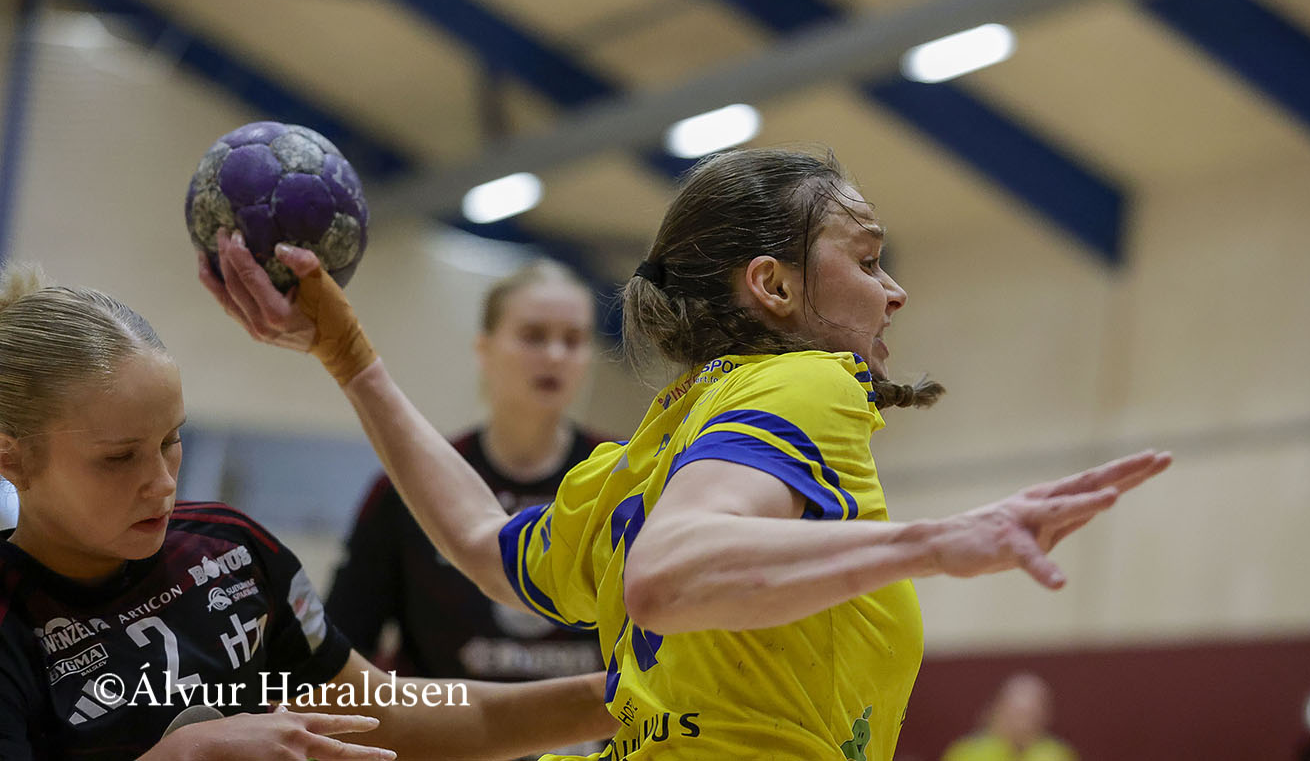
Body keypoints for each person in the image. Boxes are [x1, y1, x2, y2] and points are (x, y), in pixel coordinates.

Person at [202, 146, 1172, 761]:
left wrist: (349, 356)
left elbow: (483, 543)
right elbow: (667, 576)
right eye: (869, 258)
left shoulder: (652, 445)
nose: (895, 291)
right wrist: (937, 541)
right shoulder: (810, 382)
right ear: (773, 287)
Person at [0, 264, 616, 760]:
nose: (161, 483)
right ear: (13, 459)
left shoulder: (231, 552)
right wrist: (184, 753)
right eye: (118, 458)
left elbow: (393, 715)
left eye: (170, 440)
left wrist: (620, 695)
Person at [327, 260, 606, 685]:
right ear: (484, 348)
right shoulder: (411, 481)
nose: (555, 355)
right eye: (534, 336)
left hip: (596, 725)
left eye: (573, 340)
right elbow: (344, 643)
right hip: (450, 721)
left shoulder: (629, 475)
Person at [941, 673, 1078, 761]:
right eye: (1017, 714)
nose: (1023, 723)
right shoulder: (967, 753)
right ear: (996, 711)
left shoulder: (1057, 755)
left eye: (1031, 714)